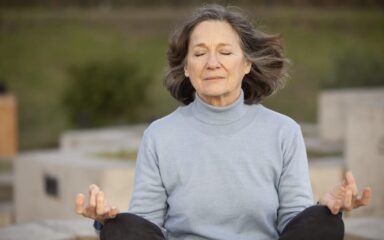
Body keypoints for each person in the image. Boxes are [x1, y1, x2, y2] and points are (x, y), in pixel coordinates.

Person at [75, 4, 371, 240]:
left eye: (225, 52)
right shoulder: (160, 135)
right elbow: (146, 226)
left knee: (324, 223)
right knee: (120, 229)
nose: (212, 63)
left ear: (246, 64)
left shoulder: (284, 132)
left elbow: (294, 222)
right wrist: (108, 223)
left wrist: (323, 210)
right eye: (200, 53)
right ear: (187, 68)